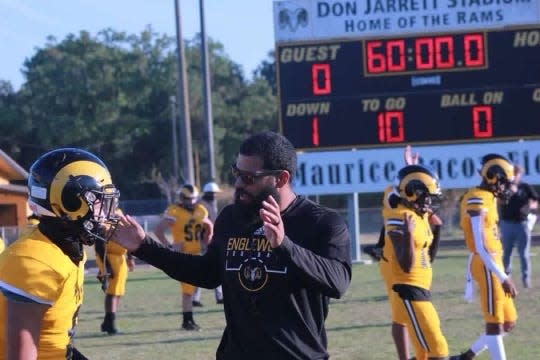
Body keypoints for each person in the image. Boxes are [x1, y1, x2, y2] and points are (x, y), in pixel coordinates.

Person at [113, 131, 352, 359]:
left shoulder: (322, 222)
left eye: (249, 178)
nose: (238, 184)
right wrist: (144, 246)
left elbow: (338, 281)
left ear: (281, 178)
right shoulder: (232, 218)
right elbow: (208, 273)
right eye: (236, 173)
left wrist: (283, 245)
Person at [0, 148, 120, 359]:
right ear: (68, 202)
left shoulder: (63, 244)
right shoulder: (35, 261)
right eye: (98, 201)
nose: (105, 213)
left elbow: (53, 338)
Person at [454, 154, 518, 360]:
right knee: (494, 323)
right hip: (486, 265)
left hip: (494, 262)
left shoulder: (489, 198)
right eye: (504, 182)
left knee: (508, 322)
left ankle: (467, 356)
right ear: (493, 177)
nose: (506, 188)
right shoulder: (477, 198)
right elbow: (480, 246)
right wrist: (503, 276)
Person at [385, 164, 448, 360]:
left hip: (421, 289)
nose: (429, 202)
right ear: (412, 192)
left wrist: (437, 231)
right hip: (409, 290)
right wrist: (408, 235)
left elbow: (428, 258)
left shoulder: (420, 218)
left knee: (425, 353)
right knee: (438, 350)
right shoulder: (399, 217)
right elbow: (406, 265)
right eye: (426, 196)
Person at [153, 183, 213, 331]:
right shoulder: (174, 211)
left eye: (193, 198)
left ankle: (189, 320)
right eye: (187, 198)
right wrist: (170, 246)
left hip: (197, 253)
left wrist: (207, 240)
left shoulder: (201, 210)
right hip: (183, 254)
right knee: (187, 290)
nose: (191, 201)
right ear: (181, 198)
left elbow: (208, 225)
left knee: (191, 289)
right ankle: (187, 321)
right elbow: (158, 229)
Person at [95, 208, 136, 335]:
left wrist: (130, 257)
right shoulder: (100, 216)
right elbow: (98, 244)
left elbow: (128, 236)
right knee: (112, 292)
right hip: (108, 255)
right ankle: (110, 323)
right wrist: (105, 266)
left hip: (120, 256)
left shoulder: (119, 213)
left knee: (118, 291)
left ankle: (107, 322)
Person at [500, 164, 539, 288]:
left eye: (517, 173)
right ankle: (506, 280)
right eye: (513, 173)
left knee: (524, 254)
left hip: (522, 224)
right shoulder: (504, 187)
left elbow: (535, 202)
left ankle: (526, 280)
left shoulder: (525, 187)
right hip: (507, 223)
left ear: (520, 174)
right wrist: (510, 193)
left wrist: (529, 206)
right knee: (506, 253)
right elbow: (499, 201)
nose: (515, 176)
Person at [194, 181, 224, 305]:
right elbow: (200, 227)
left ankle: (218, 296)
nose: (216, 195)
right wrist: (203, 242)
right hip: (204, 243)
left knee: (212, 268)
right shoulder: (202, 205)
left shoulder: (209, 204)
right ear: (210, 193)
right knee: (207, 269)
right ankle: (195, 298)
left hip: (209, 241)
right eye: (214, 193)